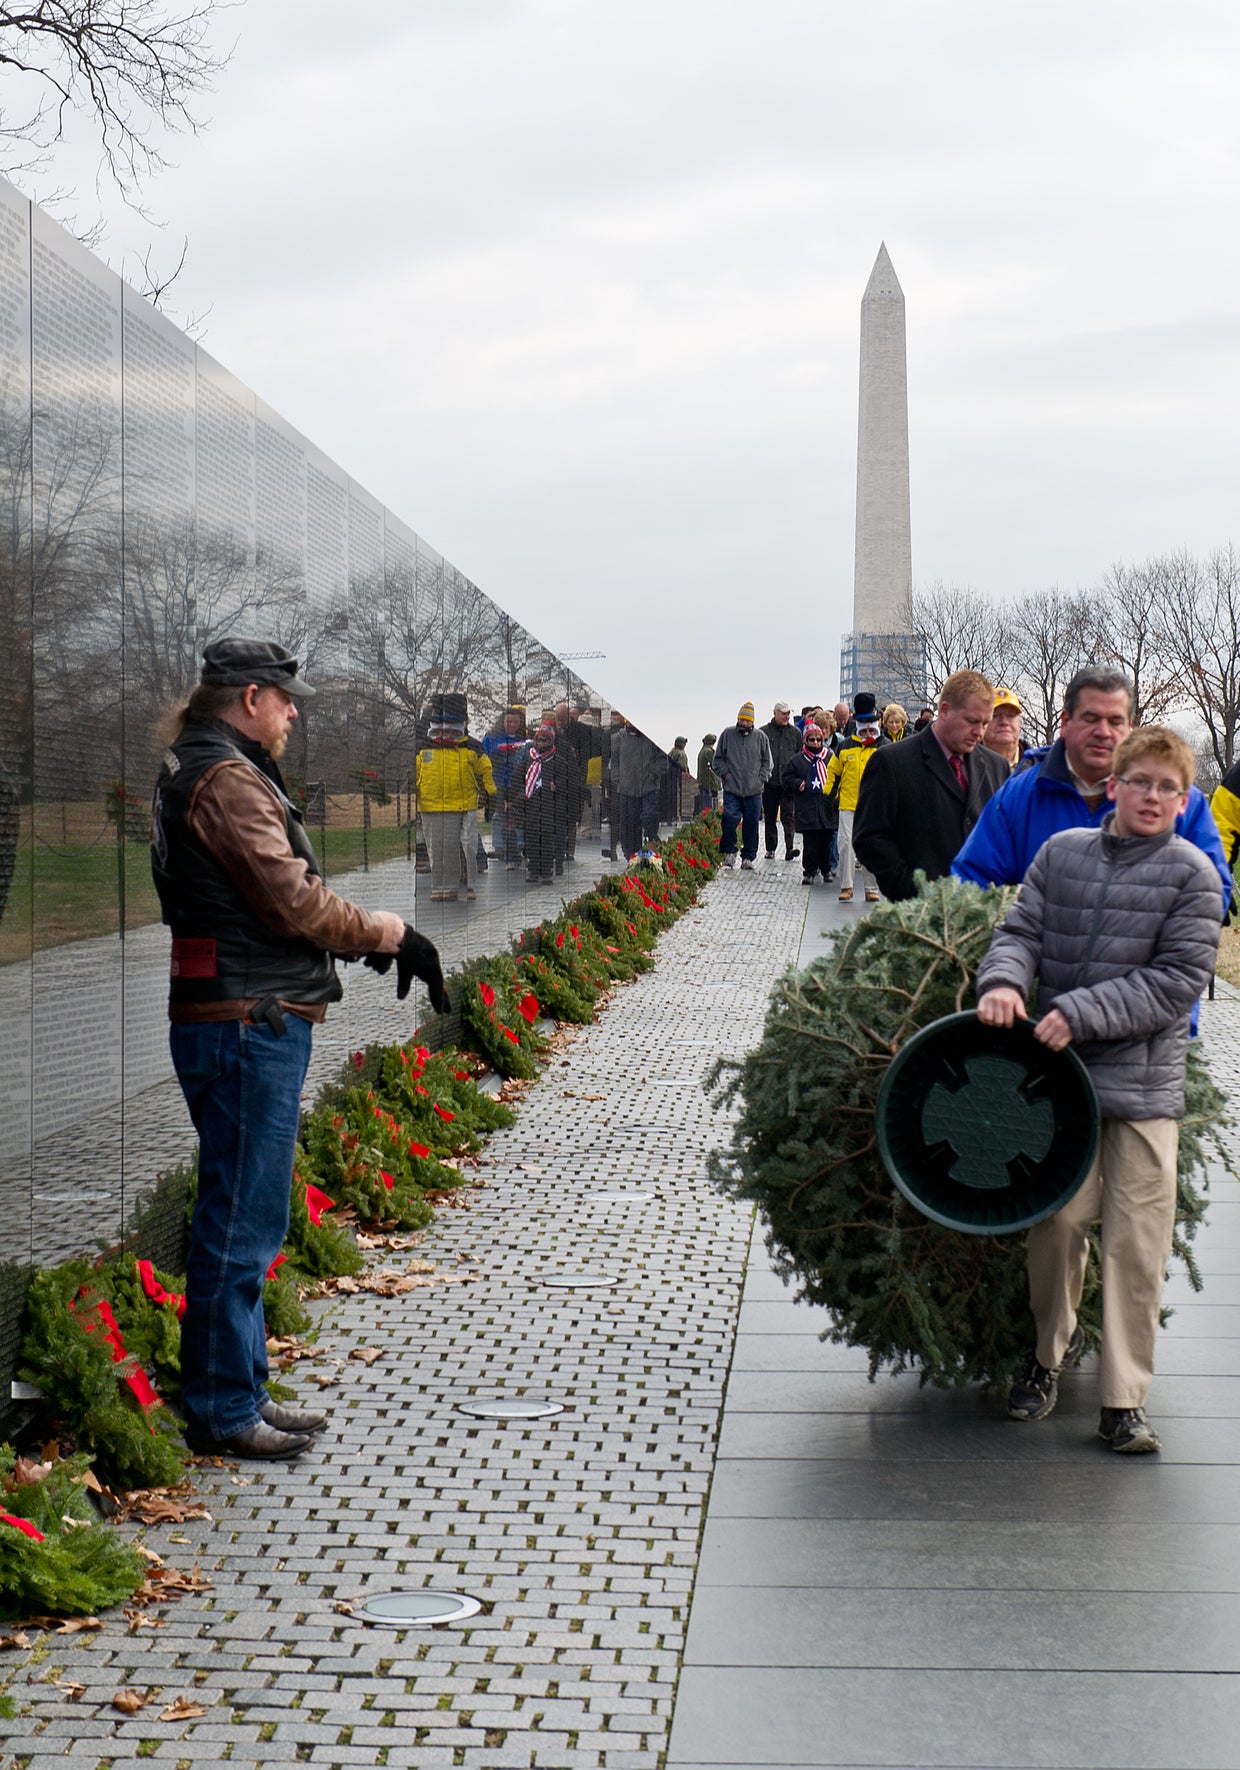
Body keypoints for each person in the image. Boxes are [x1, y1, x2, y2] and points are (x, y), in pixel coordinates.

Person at [149, 638, 445, 1460]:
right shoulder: (226, 779)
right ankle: (222, 1409)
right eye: (285, 700)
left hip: (243, 1012)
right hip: (249, 1019)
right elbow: (292, 903)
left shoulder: (208, 767)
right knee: (242, 1219)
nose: (294, 712)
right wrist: (385, 930)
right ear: (249, 698)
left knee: (245, 1211)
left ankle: (238, 1391)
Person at [976, 727, 1222, 1454]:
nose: (1152, 797)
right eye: (1140, 782)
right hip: (1062, 1087)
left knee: (1137, 1246)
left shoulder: (1195, 877)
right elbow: (1021, 930)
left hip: (1144, 1093)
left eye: (1168, 789)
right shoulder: (1061, 856)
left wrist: (1076, 1013)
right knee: (1054, 1226)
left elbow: (1175, 983)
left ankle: (1123, 1402)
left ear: (1183, 802)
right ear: (1112, 786)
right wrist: (1002, 982)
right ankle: (1047, 1358)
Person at [952, 667, 1231, 916]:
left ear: (1130, 727)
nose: (1103, 731)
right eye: (1090, 718)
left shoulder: (1179, 800)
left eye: (1115, 721)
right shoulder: (1019, 797)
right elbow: (971, 884)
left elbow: (1211, 891)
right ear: (1065, 723)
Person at [853, 670, 1007, 902]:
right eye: (972, 721)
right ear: (944, 711)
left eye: (986, 723)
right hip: (918, 919)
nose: (980, 732)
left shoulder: (997, 766)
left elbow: (1005, 838)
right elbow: (870, 838)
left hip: (983, 918)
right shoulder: (891, 762)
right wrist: (914, 892)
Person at [415, 708, 496, 901]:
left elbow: (485, 770)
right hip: (431, 805)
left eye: (452, 731)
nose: (447, 735)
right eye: (443, 731)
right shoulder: (422, 747)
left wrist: (491, 793)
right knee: (438, 848)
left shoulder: (472, 748)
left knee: (468, 845)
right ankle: (444, 887)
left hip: (463, 804)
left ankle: (469, 882)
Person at [825, 693, 884, 902]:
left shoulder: (883, 747)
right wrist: (829, 795)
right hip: (848, 803)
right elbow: (833, 772)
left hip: (874, 805)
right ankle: (846, 886)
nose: (868, 731)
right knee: (845, 844)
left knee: (871, 845)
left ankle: (871, 888)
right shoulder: (845, 746)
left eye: (871, 727)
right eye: (864, 727)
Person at [713, 701, 773, 870]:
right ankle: (730, 852)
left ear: (752, 722)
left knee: (752, 823)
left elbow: (768, 762)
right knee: (730, 819)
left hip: (754, 790)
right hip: (732, 788)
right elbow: (718, 759)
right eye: (742, 720)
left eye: (748, 721)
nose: (744, 724)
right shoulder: (727, 734)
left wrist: (761, 778)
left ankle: (748, 857)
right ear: (737, 719)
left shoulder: (761, 737)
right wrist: (726, 775)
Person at [783, 721, 837, 884]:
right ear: (806, 741)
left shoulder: (830, 756)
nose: (815, 743)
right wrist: (798, 784)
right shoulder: (797, 761)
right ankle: (810, 871)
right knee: (811, 843)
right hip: (807, 807)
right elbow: (786, 779)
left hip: (827, 807)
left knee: (827, 842)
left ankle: (826, 869)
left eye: (818, 740)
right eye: (811, 740)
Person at [522, 722, 575, 883]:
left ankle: (546, 871)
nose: (541, 744)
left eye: (545, 740)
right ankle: (533, 870)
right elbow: (518, 778)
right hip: (531, 806)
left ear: (551, 741)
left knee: (546, 841)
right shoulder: (528, 759)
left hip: (550, 807)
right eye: (539, 740)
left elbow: (565, 781)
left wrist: (554, 785)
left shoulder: (558, 760)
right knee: (531, 840)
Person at [483, 705, 528, 868]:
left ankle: (520, 845)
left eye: (516, 721)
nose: (512, 725)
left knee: (518, 815)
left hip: (518, 783)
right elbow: (485, 755)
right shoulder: (492, 737)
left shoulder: (524, 738)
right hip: (500, 781)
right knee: (501, 814)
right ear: (502, 721)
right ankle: (501, 846)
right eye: (509, 721)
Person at [760, 701, 803, 860]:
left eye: (788, 713)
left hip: (788, 783)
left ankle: (790, 848)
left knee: (788, 817)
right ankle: (771, 848)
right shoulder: (763, 732)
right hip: (770, 782)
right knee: (770, 816)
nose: (787, 716)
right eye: (783, 713)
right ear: (775, 713)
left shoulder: (795, 733)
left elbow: (799, 755)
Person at [980, 687, 1025, 771]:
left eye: (1010, 715)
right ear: (982, 723)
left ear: (1019, 722)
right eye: (995, 715)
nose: (1004, 722)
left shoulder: (1040, 768)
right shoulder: (964, 768)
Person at [696, 732, 721, 814]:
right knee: (709, 806)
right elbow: (715, 765)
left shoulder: (702, 751)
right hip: (709, 782)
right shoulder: (709, 752)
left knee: (704, 804)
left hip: (703, 781)